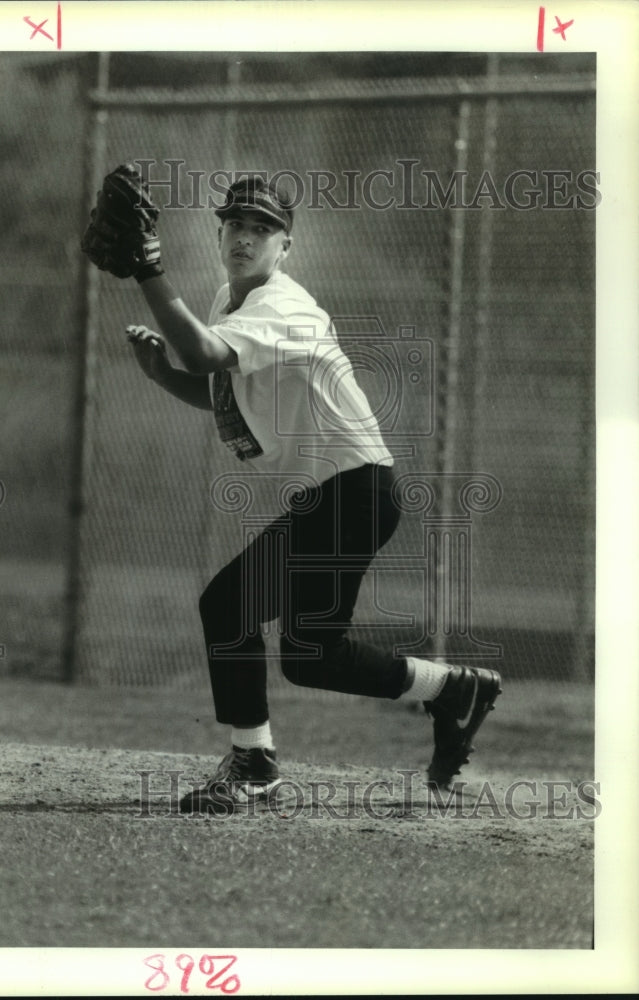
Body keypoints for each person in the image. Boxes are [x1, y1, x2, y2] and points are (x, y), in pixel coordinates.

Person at [117, 174, 501, 814]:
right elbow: (224, 397)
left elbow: (208, 355)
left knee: (228, 605)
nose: (246, 236)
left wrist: (149, 272)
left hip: (355, 490)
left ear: (285, 246)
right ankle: (454, 688)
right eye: (236, 223)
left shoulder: (285, 306)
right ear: (220, 232)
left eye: (262, 228)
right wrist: (163, 374)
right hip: (341, 494)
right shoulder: (228, 300)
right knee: (313, 656)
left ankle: (255, 763)